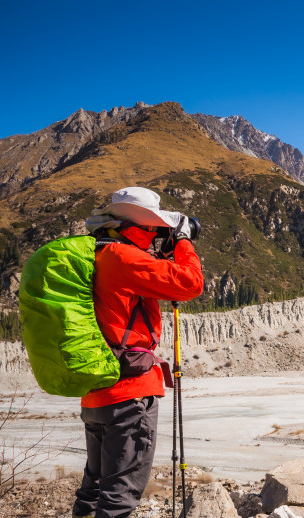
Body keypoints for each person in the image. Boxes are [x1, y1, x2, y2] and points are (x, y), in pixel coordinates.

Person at [72, 187, 204, 518]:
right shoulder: (124, 258)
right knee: (119, 497)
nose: (156, 236)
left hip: (97, 390)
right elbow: (190, 284)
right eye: (154, 230)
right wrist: (183, 242)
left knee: (94, 488)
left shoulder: (97, 253)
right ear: (139, 227)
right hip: (128, 395)